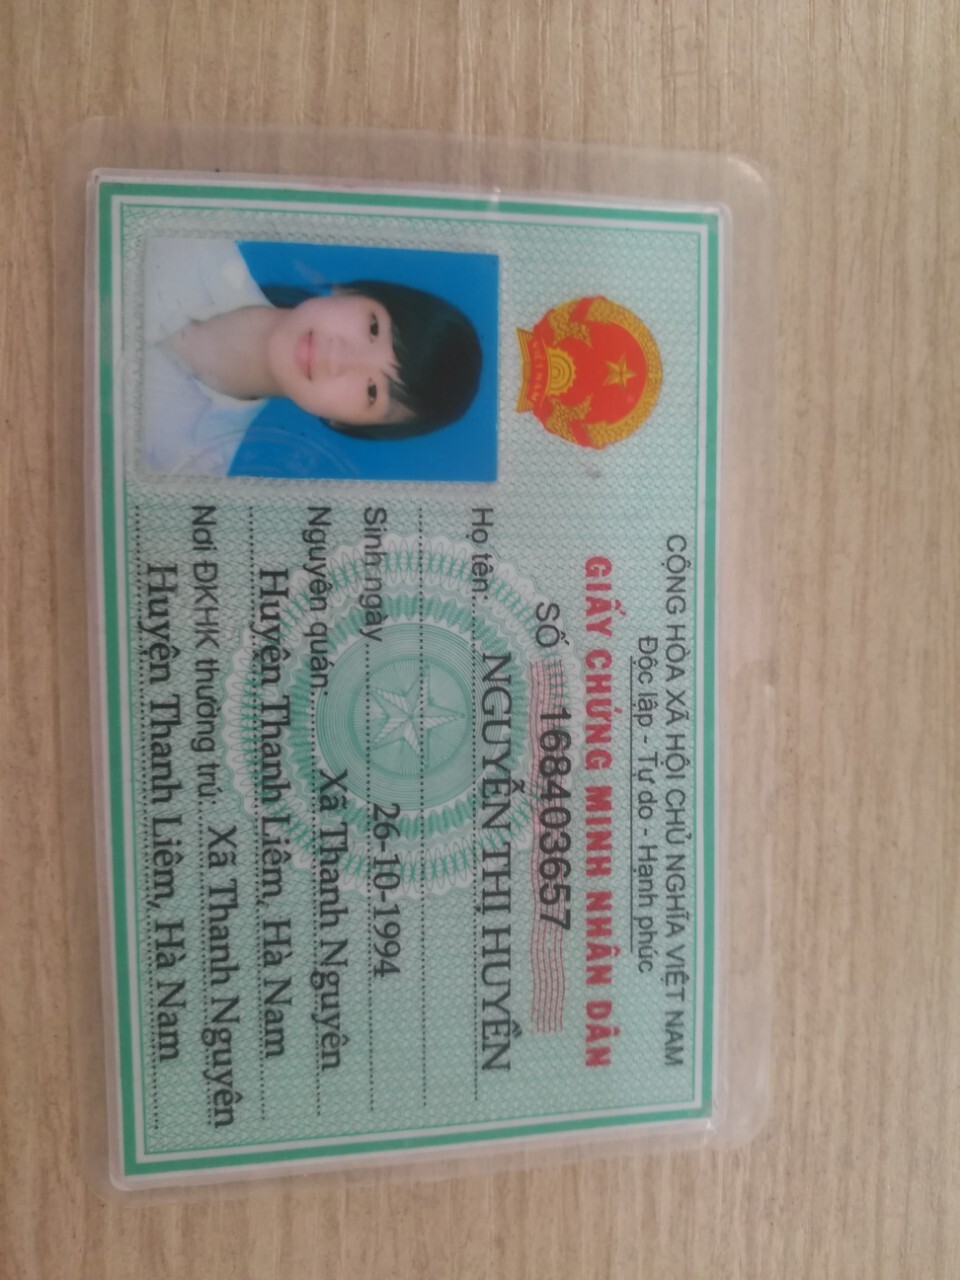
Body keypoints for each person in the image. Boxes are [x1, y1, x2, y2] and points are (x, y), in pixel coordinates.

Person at [139, 238, 483, 476]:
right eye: (374, 328)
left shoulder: (189, 465)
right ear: (350, 290)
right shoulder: (187, 242)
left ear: (344, 424)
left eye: (372, 391)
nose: (341, 358)